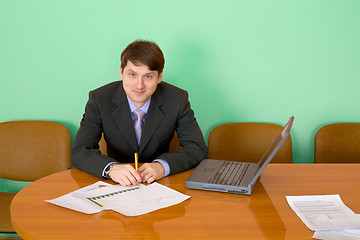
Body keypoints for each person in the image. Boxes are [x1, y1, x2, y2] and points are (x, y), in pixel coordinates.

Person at [71, 40, 208, 186]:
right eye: (132, 75)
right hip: (116, 185)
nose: (139, 85)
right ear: (121, 72)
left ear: (159, 77)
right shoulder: (100, 99)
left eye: (148, 76)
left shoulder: (177, 99)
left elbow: (197, 148)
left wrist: (163, 166)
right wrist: (111, 169)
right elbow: (80, 150)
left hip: (159, 185)